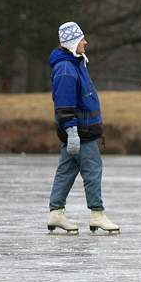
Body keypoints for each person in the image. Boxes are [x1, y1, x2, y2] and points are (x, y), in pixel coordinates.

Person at [46, 21, 119, 234]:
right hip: (80, 132)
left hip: (83, 131)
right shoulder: (66, 69)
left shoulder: (76, 63)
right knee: (93, 171)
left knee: (66, 171)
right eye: (81, 39)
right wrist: (72, 132)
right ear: (71, 43)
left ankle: (56, 212)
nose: (85, 42)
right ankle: (97, 214)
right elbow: (64, 104)